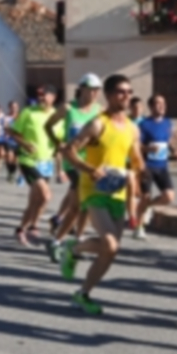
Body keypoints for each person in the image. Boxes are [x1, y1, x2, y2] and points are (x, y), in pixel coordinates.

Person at [59, 74, 144, 315]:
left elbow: (136, 159)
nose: (126, 96)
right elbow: (69, 151)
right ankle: (73, 251)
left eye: (129, 91)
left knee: (111, 250)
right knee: (109, 242)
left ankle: (82, 290)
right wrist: (89, 169)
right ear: (108, 95)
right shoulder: (98, 123)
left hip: (117, 192)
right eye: (120, 92)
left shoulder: (132, 128)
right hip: (93, 190)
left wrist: (141, 172)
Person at [46, 74, 103, 261]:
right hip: (73, 161)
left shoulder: (99, 111)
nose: (94, 93)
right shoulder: (68, 108)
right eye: (91, 89)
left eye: (97, 89)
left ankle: (78, 240)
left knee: (86, 205)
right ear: (82, 89)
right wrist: (57, 143)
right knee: (77, 205)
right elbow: (48, 125)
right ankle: (56, 241)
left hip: (91, 162)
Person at [9, 85, 58, 246]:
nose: (41, 98)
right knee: (46, 195)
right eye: (39, 95)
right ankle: (33, 227)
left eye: (44, 95)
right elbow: (11, 132)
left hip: (47, 162)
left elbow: (60, 140)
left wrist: (62, 167)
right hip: (28, 160)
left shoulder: (57, 116)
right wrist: (25, 144)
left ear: (53, 97)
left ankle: (20, 229)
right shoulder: (28, 112)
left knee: (35, 201)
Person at [134, 94, 177, 240]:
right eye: (159, 104)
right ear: (151, 107)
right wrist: (147, 149)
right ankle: (139, 228)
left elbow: (168, 140)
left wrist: (175, 151)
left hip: (162, 166)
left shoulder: (167, 123)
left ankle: (148, 207)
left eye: (164, 103)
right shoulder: (144, 124)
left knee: (169, 196)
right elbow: (137, 145)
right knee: (145, 197)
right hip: (147, 166)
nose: (162, 106)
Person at [2, 101, 20, 182]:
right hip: (9, 140)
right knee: (9, 156)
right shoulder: (6, 117)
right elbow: (5, 128)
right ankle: (10, 172)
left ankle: (12, 173)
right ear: (9, 108)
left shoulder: (21, 117)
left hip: (19, 141)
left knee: (16, 160)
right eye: (12, 107)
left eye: (15, 107)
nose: (14, 109)